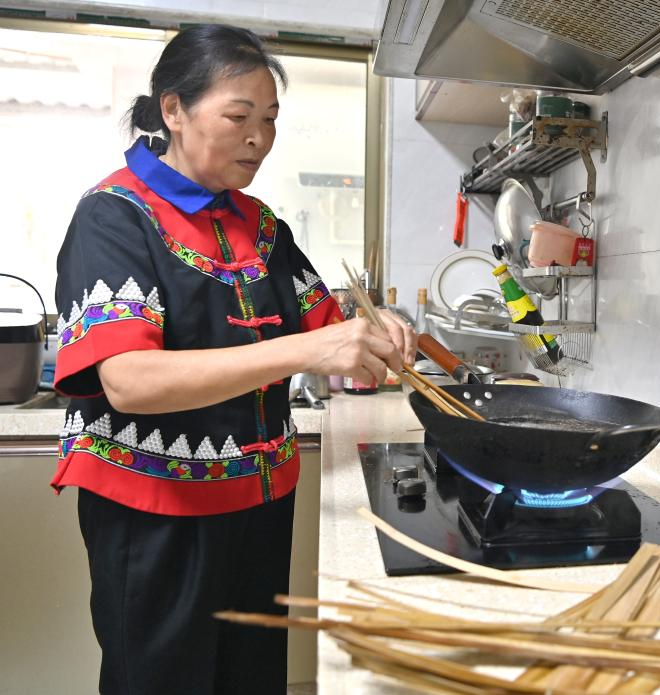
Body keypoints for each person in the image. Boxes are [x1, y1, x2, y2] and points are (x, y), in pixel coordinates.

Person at [50, 24, 415, 695]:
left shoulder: (262, 226)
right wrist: (310, 349)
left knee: (252, 680)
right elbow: (128, 380)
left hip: (260, 508)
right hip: (157, 514)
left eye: (269, 119)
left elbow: (331, 328)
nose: (259, 138)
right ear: (173, 110)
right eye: (239, 117)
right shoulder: (114, 217)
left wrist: (375, 330)